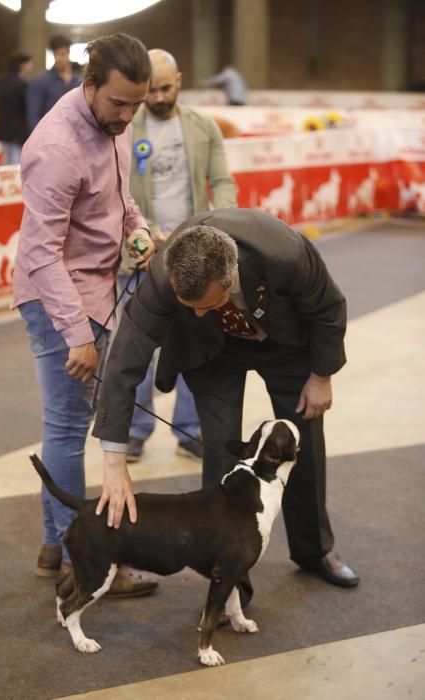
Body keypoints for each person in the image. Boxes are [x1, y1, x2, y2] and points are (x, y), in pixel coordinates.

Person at [93, 208, 360, 607]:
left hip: (285, 346)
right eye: (189, 305)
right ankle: (230, 577)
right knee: (220, 451)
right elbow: (122, 363)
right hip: (211, 355)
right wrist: (114, 462)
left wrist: (321, 376)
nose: (196, 312)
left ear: (229, 278)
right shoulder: (165, 278)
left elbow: (328, 307)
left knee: (301, 443)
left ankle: (315, 549)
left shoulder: (282, 253)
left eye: (205, 303)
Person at [12, 32, 158, 597]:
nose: (126, 116)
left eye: (136, 105)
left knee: (71, 424)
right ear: (88, 83)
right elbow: (39, 252)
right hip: (57, 298)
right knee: (70, 428)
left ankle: (56, 544)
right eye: (118, 103)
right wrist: (77, 334)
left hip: (98, 287)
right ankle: (83, 560)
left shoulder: (114, 125)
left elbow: (121, 201)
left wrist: (138, 230)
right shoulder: (55, 147)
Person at [120, 48, 237, 463]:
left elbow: (222, 182)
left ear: (180, 82)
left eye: (166, 88)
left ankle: (190, 431)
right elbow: (115, 190)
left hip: (194, 255)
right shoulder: (125, 128)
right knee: (136, 349)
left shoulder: (204, 127)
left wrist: (209, 224)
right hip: (140, 254)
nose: (157, 97)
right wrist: (147, 232)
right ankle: (133, 431)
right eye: (151, 89)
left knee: (196, 344)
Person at [26, 34, 81, 131]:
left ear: (68, 53)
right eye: (56, 54)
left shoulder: (78, 80)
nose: (59, 58)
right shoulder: (40, 81)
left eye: (62, 54)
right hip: (50, 135)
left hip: (74, 136)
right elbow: (33, 116)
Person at [0, 52, 33, 164]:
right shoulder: (23, 83)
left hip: (2, 128)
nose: (31, 66)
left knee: (7, 163)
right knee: (17, 164)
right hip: (18, 131)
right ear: (23, 65)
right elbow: (27, 109)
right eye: (29, 63)